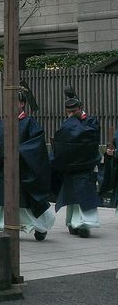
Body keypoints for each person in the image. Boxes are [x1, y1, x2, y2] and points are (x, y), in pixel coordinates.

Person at [0, 88, 54, 240]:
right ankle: (6, 226)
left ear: (22, 104)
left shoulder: (30, 123)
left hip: (23, 171)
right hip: (4, 171)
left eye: (14, 102)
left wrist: (16, 152)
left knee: (25, 204)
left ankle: (39, 228)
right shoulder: (2, 123)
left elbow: (36, 147)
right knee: (4, 202)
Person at [51, 85, 100, 237]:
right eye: (69, 112)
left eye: (74, 111)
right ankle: (72, 222)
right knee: (71, 195)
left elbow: (89, 139)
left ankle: (85, 224)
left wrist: (71, 124)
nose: (71, 114)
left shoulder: (91, 122)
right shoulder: (68, 123)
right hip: (71, 166)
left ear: (81, 109)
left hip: (85, 165)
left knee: (84, 193)